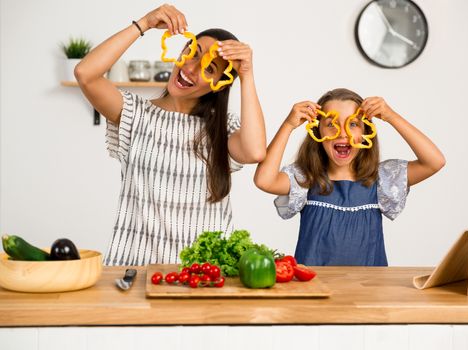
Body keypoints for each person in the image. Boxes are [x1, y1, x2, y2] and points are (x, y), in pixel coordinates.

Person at [74, 4, 266, 266]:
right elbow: (85, 73)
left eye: (209, 69)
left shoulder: (222, 130)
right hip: (135, 271)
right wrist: (143, 23)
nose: (191, 68)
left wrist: (247, 74)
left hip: (203, 276)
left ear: (219, 85)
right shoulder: (135, 113)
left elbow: (255, 151)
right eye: (192, 53)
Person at [254, 88, 445, 266]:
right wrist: (288, 125)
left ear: (365, 132)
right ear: (317, 131)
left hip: (368, 291)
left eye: (353, 124)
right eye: (331, 124)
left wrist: (391, 116)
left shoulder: (382, 179)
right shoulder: (305, 179)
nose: (342, 133)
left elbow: (434, 161)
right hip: (314, 289)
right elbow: (265, 180)